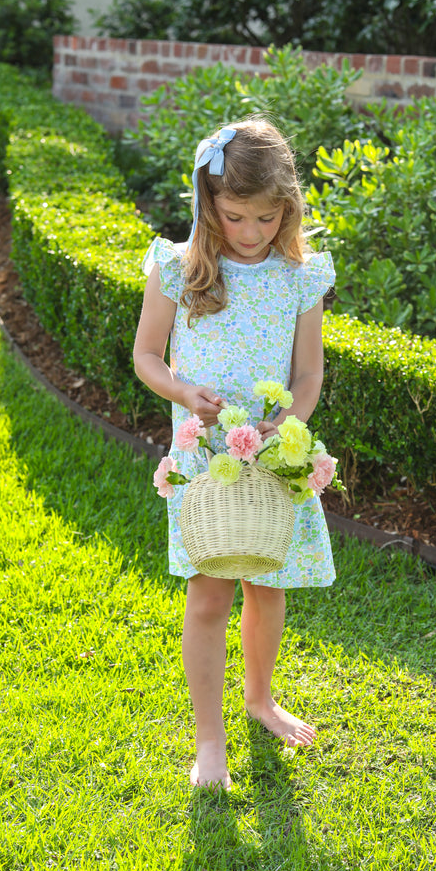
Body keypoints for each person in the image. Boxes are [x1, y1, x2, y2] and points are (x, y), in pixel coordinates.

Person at [133, 118, 336, 790]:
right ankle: (210, 740)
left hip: (271, 459)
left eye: (267, 218)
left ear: (289, 210)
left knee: (266, 583)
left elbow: (308, 373)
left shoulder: (299, 277)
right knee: (208, 594)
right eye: (236, 217)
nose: (251, 233)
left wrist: (291, 422)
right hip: (204, 456)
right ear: (206, 203)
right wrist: (185, 392)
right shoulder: (176, 267)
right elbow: (145, 356)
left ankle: (259, 698)